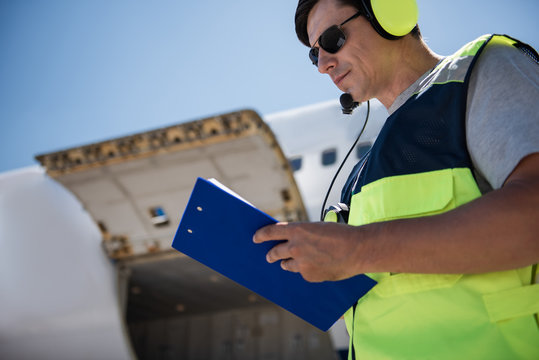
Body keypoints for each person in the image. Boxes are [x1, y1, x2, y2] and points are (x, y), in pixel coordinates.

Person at [253, 0, 539, 358]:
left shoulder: (482, 70)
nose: (323, 65)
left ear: (390, 13)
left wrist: (358, 249)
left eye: (332, 39)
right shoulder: (358, 180)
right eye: (314, 56)